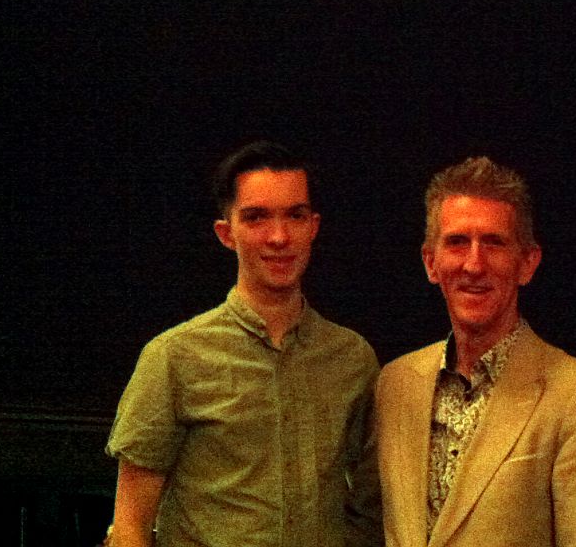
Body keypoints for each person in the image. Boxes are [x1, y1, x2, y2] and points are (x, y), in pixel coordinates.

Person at [105, 141, 381, 547]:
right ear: (225, 233)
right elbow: (131, 526)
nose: (279, 236)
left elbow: (370, 507)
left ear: (314, 226)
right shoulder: (174, 357)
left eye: (295, 215)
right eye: (256, 218)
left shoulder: (352, 358)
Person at [376, 156, 576, 547]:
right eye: (456, 242)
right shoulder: (394, 383)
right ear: (430, 262)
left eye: (494, 242)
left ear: (527, 263)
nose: (473, 264)